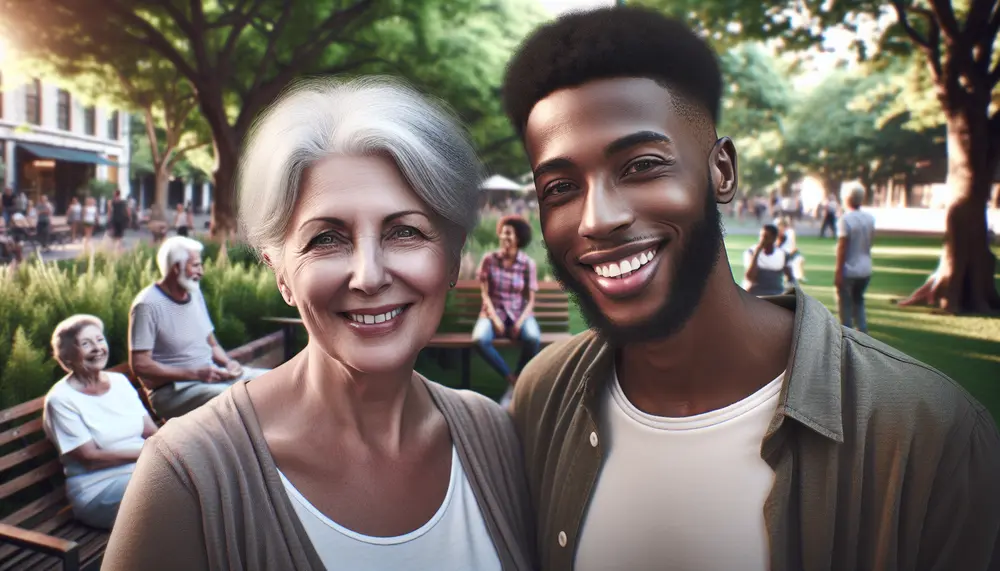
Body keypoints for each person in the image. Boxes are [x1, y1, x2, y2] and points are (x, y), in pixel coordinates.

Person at [500, 7, 1000, 571]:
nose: (598, 218)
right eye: (561, 186)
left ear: (722, 172)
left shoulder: (927, 434)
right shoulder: (543, 395)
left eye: (641, 166)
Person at [104, 77, 534, 571]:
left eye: (404, 231)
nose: (369, 276)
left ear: (453, 258)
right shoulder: (187, 480)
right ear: (280, 273)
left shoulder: (496, 438)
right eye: (326, 239)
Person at [127, 236, 267, 420]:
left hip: (209, 379)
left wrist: (228, 363)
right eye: (195, 265)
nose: (201, 272)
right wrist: (194, 373)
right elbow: (139, 365)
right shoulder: (146, 305)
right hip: (173, 392)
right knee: (237, 401)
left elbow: (210, 342)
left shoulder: (194, 293)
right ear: (176, 267)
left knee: (272, 382)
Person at [42, 315, 158, 529]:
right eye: (86, 344)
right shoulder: (60, 400)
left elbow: (151, 431)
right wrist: (151, 453)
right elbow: (90, 458)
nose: (97, 348)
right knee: (174, 490)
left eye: (99, 340)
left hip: (144, 471)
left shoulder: (119, 382)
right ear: (66, 359)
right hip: (99, 490)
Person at [473, 214, 541, 407]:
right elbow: (485, 294)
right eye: (502, 233)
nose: (504, 237)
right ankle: (512, 379)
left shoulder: (528, 264)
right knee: (479, 339)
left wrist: (520, 321)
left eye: (509, 234)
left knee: (533, 337)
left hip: (520, 313)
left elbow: (530, 300)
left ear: (518, 238)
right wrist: (493, 317)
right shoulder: (489, 259)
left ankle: (518, 379)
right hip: (493, 313)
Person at [835, 184, 876, 333]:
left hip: (849, 269)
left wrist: (838, 272)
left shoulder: (845, 220)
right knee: (858, 301)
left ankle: (846, 334)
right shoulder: (870, 218)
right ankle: (863, 332)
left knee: (845, 304)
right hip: (865, 268)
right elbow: (871, 242)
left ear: (846, 199)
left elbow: (842, 247)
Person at [742, 223, 793, 296]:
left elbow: (790, 278)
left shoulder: (783, 255)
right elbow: (749, 277)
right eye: (761, 236)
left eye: (765, 237)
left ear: (774, 238)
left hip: (776, 293)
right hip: (754, 293)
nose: (762, 240)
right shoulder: (751, 252)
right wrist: (756, 254)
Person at [776, 216, 806, 282]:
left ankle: (800, 276)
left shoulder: (790, 232)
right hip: (780, 254)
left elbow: (793, 245)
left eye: (781, 225)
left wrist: (792, 252)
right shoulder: (776, 233)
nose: (779, 227)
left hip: (790, 252)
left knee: (800, 259)